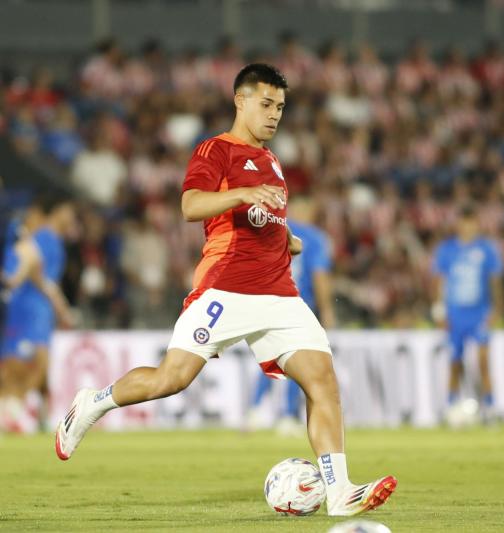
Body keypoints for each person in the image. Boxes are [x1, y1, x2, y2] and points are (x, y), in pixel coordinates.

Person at [54, 63, 396, 516]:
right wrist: (242, 194)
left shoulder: (272, 161)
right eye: (266, 104)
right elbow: (191, 206)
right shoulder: (215, 150)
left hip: (279, 293)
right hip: (226, 288)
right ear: (241, 100)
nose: (275, 115)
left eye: (281, 107)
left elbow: (265, 215)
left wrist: (286, 238)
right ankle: (92, 403)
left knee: (322, 382)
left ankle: (339, 492)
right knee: (170, 379)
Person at [248, 194, 335, 436]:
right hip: (297, 306)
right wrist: (327, 309)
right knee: (299, 361)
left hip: (268, 303)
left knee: (270, 356)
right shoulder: (315, 238)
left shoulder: (272, 229)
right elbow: (320, 275)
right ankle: (286, 415)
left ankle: (255, 411)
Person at [1, 195, 74, 432]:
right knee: (30, 363)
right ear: (56, 210)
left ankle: (41, 418)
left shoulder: (54, 240)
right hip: (29, 307)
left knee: (40, 364)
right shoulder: (42, 236)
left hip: (40, 310)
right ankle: (11, 408)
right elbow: (33, 267)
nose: (72, 217)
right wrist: (58, 302)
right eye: (68, 210)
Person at [432, 204, 504, 423]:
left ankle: (490, 407)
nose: (468, 227)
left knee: (483, 360)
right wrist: (438, 311)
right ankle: (452, 404)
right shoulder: (446, 250)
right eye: (464, 223)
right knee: (455, 361)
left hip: (480, 312)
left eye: (472, 223)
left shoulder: (487, 249)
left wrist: (497, 308)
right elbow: (438, 282)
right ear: (458, 225)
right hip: (455, 313)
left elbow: (495, 281)